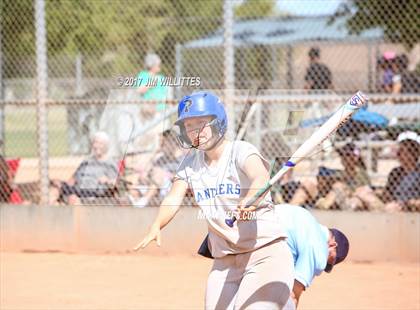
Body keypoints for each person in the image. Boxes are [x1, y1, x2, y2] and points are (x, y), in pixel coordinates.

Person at [133, 92, 295, 309]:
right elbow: (174, 196)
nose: (195, 131)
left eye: (201, 123)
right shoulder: (190, 163)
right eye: (189, 125)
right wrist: (157, 224)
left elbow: (260, 177)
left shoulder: (240, 150)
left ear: (218, 122)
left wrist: (250, 200)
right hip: (225, 261)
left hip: (265, 253)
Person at [198, 204, 350, 308]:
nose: (326, 265)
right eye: (331, 261)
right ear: (333, 245)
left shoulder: (305, 216)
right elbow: (293, 294)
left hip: (234, 234)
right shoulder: (319, 249)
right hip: (263, 247)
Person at [50, 132, 119, 205]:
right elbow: (72, 179)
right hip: (77, 189)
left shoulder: (110, 163)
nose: (97, 146)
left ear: (106, 146)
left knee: (73, 199)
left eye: (100, 143)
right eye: (95, 143)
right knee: (54, 190)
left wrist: (107, 180)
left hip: (93, 193)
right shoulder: (86, 161)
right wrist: (61, 184)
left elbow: (116, 184)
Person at [382, 131, 420, 212]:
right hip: (394, 205)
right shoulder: (395, 172)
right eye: (401, 149)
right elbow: (387, 194)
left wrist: (407, 204)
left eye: (407, 150)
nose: (400, 153)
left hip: (412, 209)